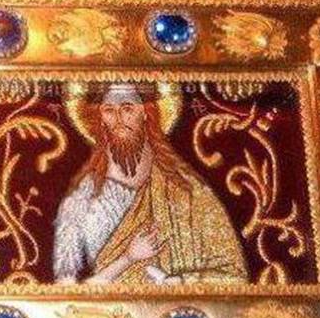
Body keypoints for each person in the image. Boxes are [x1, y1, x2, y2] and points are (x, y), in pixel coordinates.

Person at [54, 83, 248, 285]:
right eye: (109, 110)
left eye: (127, 108)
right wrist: (127, 258)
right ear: (100, 118)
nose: (119, 117)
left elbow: (233, 274)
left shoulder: (187, 189)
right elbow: (65, 291)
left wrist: (177, 281)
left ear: (147, 113)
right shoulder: (82, 198)